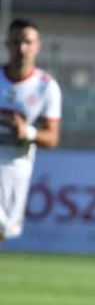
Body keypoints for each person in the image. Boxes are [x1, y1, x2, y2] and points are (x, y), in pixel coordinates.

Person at [0, 19, 61, 241]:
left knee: (3, 232)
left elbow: (52, 137)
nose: (22, 48)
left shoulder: (46, 86)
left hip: (16, 168)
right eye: (16, 42)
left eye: (27, 42)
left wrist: (28, 132)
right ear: (7, 45)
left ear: (37, 46)